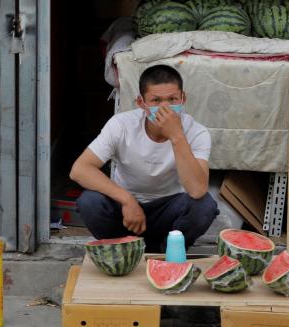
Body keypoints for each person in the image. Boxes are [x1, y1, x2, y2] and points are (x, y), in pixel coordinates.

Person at [70, 64, 219, 253]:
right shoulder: (122, 125)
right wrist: (127, 200)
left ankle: (168, 253)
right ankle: (122, 252)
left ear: (183, 99)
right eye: (156, 100)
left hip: (168, 211)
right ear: (141, 103)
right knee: (89, 202)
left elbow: (197, 190)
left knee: (204, 206)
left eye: (172, 99)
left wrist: (177, 136)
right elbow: (80, 169)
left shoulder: (197, 132)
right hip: (125, 212)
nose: (165, 107)